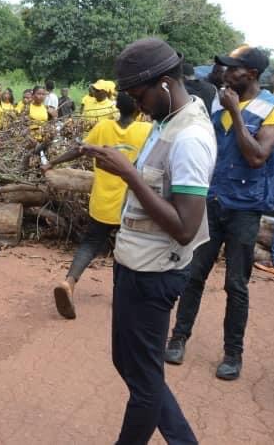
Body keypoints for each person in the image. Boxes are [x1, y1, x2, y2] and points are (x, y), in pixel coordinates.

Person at [94, 38, 215, 444]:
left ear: (164, 83)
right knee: (128, 362)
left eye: (137, 94)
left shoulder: (190, 138)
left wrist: (128, 174)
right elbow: (155, 189)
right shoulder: (168, 122)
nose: (136, 104)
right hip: (136, 263)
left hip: (155, 272)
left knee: (144, 384)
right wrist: (122, 167)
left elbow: (184, 225)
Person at [166, 46, 274, 381]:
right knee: (193, 276)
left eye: (233, 68)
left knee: (236, 284)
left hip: (245, 211)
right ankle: (178, 338)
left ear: (250, 74)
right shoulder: (219, 101)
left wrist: (236, 113)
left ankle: (233, 354)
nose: (225, 71)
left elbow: (257, 157)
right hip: (214, 201)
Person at [44, 93, 152, 319]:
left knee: (90, 244)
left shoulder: (103, 126)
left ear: (117, 108)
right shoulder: (146, 131)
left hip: (101, 202)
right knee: (124, 250)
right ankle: (120, 297)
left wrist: (52, 162)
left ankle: (69, 282)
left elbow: (79, 150)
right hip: (129, 204)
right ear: (139, 108)